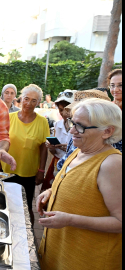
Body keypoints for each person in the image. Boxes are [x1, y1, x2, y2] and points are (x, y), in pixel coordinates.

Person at [37, 98, 122, 270]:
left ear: (107, 131)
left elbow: (119, 221)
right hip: (59, 254)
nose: (72, 131)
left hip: (87, 261)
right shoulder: (78, 151)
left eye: (80, 126)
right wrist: (53, 191)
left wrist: (70, 220)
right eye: (72, 123)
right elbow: (80, 184)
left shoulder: (112, 164)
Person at [1, 84, 49, 225]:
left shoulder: (42, 122)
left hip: (29, 172)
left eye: (34, 100)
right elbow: (0, 141)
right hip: (6, 170)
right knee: (6, 204)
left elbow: (43, 147)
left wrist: (41, 170)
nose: (29, 103)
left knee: (26, 206)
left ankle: (27, 235)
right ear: (21, 99)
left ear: (38, 102)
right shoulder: (9, 117)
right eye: (26, 99)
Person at [56, 89, 117, 172]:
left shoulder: (113, 159)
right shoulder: (81, 136)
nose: (72, 130)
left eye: (81, 125)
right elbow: (61, 164)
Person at [42, 90, 76, 191]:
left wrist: (69, 148)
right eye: (61, 110)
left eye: (67, 110)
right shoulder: (57, 125)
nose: (64, 113)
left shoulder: (80, 126)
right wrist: (51, 147)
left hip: (72, 166)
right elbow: (54, 152)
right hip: (57, 164)